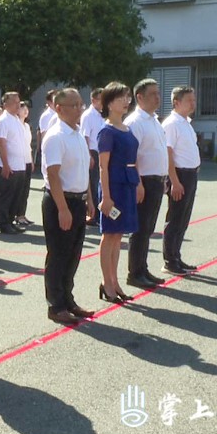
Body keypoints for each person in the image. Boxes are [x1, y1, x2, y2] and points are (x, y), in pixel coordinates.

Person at [41, 88, 94, 325]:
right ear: (59, 108)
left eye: (81, 104)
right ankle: (56, 305)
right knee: (59, 255)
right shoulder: (56, 136)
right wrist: (62, 208)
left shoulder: (77, 134)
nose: (79, 109)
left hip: (78, 200)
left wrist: (90, 199)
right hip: (60, 201)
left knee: (73, 254)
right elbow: (53, 175)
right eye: (74, 105)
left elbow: (84, 172)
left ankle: (68, 299)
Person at [97, 82, 139, 303]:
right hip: (113, 186)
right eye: (121, 98)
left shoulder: (127, 128)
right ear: (108, 102)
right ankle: (107, 282)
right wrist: (106, 196)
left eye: (127, 97)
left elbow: (134, 160)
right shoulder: (106, 131)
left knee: (119, 235)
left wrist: (138, 183)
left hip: (128, 185)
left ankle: (114, 280)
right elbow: (103, 166)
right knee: (109, 235)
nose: (126, 101)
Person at [125, 78, 168, 290]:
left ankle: (142, 268)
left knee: (148, 228)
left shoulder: (154, 120)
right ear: (139, 97)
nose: (157, 98)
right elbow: (131, 157)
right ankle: (135, 272)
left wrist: (165, 177)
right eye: (152, 94)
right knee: (140, 229)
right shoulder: (135, 122)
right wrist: (138, 183)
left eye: (158, 93)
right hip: (145, 182)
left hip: (157, 180)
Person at [162, 86, 201, 275]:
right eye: (189, 100)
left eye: (194, 100)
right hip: (179, 175)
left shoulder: (186, 123)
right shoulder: (171, 123)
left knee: (184, 219)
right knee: (175, 218)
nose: (193, 104)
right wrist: (174, 181)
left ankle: (176, 256)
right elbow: (167, 153)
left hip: (190, 174)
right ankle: (169, 261)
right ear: (177, 102)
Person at [0, 92, 27, 235]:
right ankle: (4, 224)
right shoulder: (3, 120)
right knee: (6, 196)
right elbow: (2, 143)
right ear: (5, 104)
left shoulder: (16, 119)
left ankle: (11, 221)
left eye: (19, 102)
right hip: (10, 165)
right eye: (14, 102)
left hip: (20, 165)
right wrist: (5, 164)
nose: (18, 105)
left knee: (16, 196)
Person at [80, 88, 105, 223]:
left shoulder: (100, 115)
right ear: (93, 100)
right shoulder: (88, 115)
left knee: (99, 184)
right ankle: (92, 214)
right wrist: (88, 155)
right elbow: (85, 136)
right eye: (101, 99)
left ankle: (96, 213)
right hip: (92, 151)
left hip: (101, 152)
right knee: (93, 183)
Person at [15, 101, 35, 226]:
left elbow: (28, 146)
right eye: (22, 108)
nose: (25, 111)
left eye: (27, 109)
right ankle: (15, 215)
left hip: (27, 160)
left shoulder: (27, 126)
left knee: (25, 190)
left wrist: (31, 161)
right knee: (18, 189)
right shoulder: (15, 124)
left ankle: (22, 214)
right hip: (18, 161)